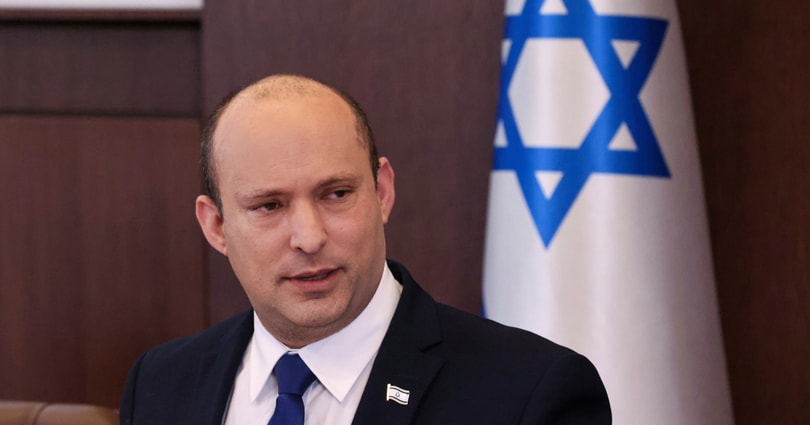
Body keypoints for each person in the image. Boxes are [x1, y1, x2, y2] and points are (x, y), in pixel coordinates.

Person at [119, 74, 611, 425]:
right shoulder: (160, 383)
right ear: (217, 226)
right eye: (269, 206)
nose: (309, 237)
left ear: (383, 192)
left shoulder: (529, 392)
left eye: (336, 194)